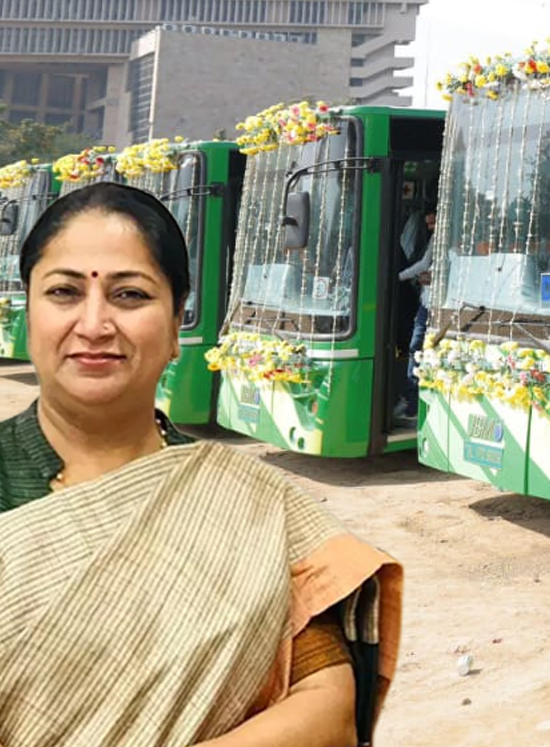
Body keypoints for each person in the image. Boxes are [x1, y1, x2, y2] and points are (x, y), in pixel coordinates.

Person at [0, 182, 402, 747]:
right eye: (64, 292)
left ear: (176, 323)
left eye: (131, 296)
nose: (93, 324)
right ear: (29, 312)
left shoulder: (246, 499)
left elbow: (329, 708)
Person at [396, 206, 435, 423]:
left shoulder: (457, 237)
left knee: (419, 347)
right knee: (415, 346)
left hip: (442, 304)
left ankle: (416, 400)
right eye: (427, 224)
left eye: (432, 223)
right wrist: (399, 277)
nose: (429, 228)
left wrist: (434, 278)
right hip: (426, 302)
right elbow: (423, 264)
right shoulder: (435, 239)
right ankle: (412, 400)